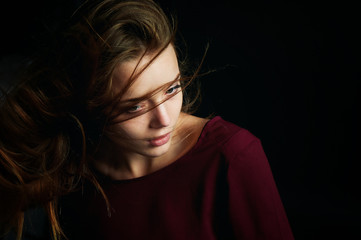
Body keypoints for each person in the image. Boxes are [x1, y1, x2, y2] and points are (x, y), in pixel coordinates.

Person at [0, 0, 294, 239]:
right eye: (135, 107)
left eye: (172, 88)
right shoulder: (73, 171)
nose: (164, 119)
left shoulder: (232, 156)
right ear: (93, 106)